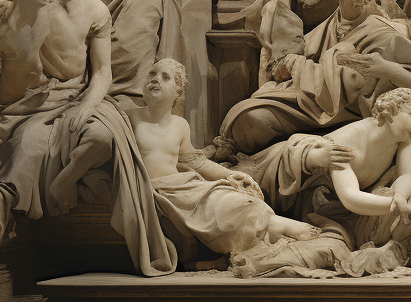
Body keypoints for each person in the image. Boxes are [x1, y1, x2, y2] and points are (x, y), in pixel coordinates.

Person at [0, 0, 175, 275]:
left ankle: (65, 180)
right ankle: (6, 226)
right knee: (28, 148)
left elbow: (102, 71)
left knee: (101, 138)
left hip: (83, 96)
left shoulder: (96, 10)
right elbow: (15, 65)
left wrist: (89, 103)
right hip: (39, 102)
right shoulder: (35, 6)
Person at [220, 0, 411, 151]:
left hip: (354, 113)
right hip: (310, 102)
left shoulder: (389, 30)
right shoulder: (325, 28)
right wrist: (288, 62)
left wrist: (385, 69)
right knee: (249, 116)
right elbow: (287, 62)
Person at [241, 88, 411, 268]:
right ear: (390, 112)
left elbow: (407, 175)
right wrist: (394, 205)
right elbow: (350, 197)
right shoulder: (345, 144)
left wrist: (401, 196)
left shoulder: (407, 139)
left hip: (365, 202)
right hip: (316, 202)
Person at [126, 59, 320, 260]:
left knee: (236, 197)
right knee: (225, 205)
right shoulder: (130, 117)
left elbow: (196, 162)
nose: (155, 80)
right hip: (161, 191)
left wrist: (232, 174)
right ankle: (278, 225)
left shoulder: (180, 125)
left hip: (184, 186)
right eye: (152, 74)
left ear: (178, 91)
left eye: (164, 77)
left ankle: (272, 226)